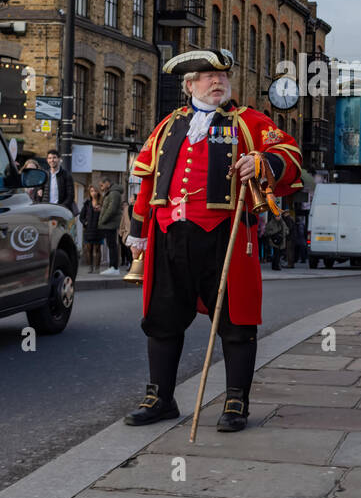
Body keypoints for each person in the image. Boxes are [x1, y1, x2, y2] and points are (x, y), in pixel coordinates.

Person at [122, 48, 303, 432]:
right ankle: (160, 396)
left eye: (222, 75)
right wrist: (138, 233)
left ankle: (236, 401)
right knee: (161, 318)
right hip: (169, 235)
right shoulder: (169, 125)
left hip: (226, 236)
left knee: (236, 319)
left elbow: (288, 152)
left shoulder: (248, 121)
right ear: (190, 85)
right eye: (208, 76)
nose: (217, 81)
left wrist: (263, 163)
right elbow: (147, 180)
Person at [98, 178, 122, 269]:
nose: (101, 188)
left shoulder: (114, 193)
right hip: (109, 223)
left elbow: (111, 209)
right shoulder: (111, 193)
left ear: (107, 183)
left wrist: (103, 220)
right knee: (111, 244)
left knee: (112, 245)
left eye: (102, 185)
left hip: (110, 223)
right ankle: (112, 266)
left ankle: (114, 267)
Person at [45, 149, 75, 214]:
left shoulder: (66, 175)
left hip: (60, 210)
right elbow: (39, 192)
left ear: (59, 159)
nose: (52, 160)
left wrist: (62, 207)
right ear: (47, 160)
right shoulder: (44, 175)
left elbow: (71, 195)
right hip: (46, 210)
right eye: (49, 158)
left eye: (54, 158)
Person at [81, 190, 104, 273]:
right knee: (88, 249)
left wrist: (101, 210)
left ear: (98, 192)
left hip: (98, 229)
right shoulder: (87, 204)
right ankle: (90, 267)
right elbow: (81, 217)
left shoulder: (102, 203)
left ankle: (97, 268)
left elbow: (105, 214)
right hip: (89, 229)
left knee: (97, 249)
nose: (93, 193)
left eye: (94, 191)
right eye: (91, 191)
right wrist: (85, 222)